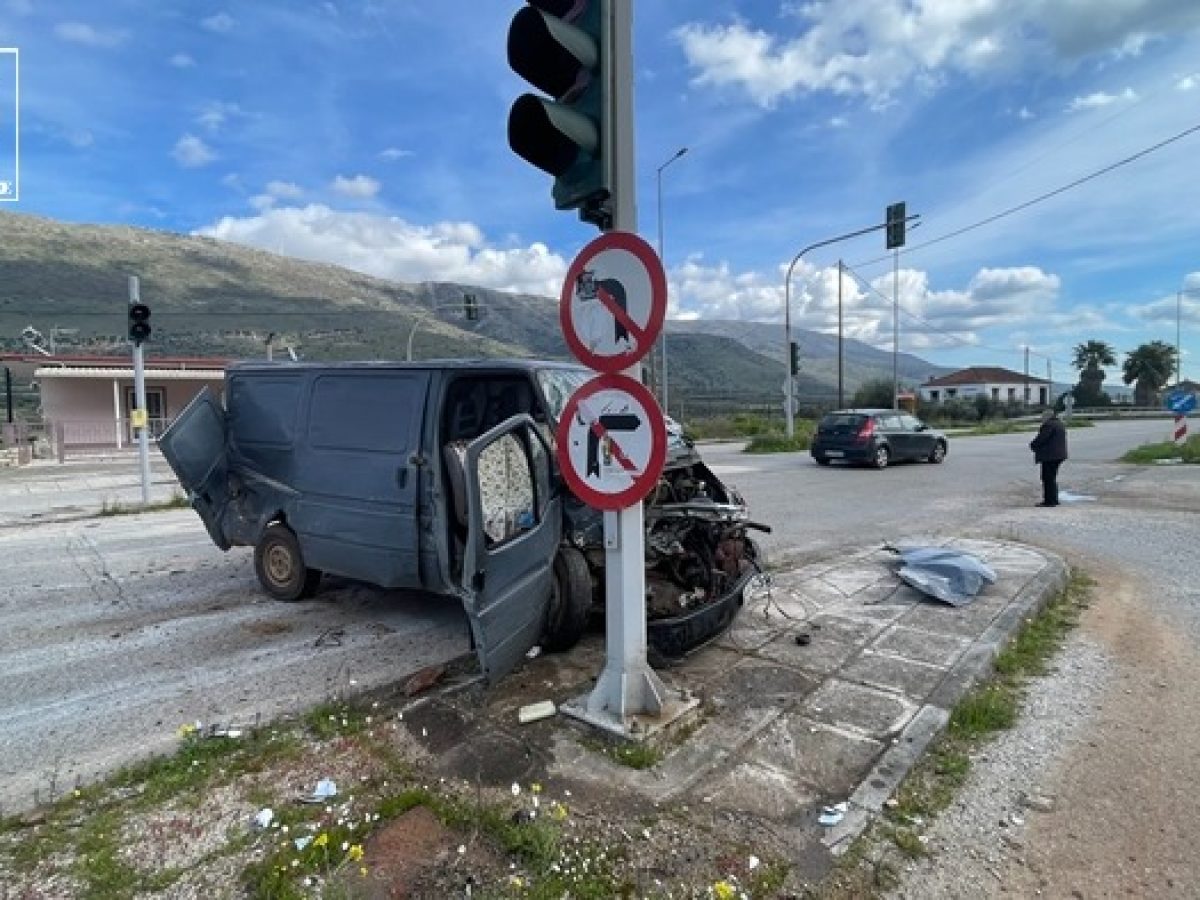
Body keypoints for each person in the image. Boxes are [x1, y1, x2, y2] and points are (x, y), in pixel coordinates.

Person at [1029, 408, 1068, 507]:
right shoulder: (1059, 424)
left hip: (1050, 456)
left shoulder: (1048, 425)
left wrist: (1033, 445)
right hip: (1059, 455)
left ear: (1047, 416)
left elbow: (1042, 438)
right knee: (1052, 478)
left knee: (1047, 478)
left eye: (1043, 416)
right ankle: (1054, 499)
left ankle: (1049, 501)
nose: (1042, 418)